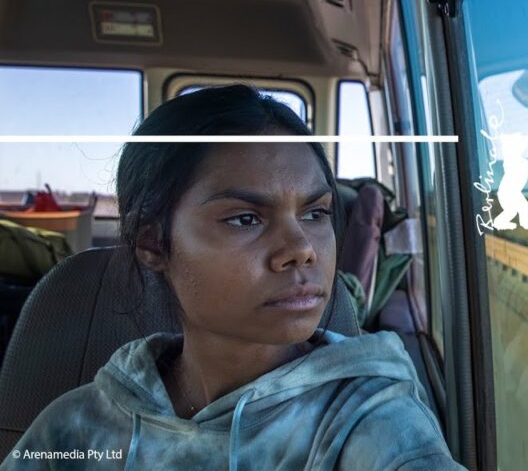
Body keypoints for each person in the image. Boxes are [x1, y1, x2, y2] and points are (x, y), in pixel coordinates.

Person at [0, 85, 464, 470]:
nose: (302, 248)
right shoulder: (78, 427)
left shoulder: (369, 418)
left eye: (316, 213)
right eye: (245, 219)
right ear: (152, 243)